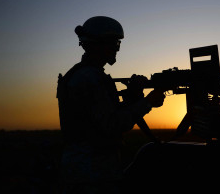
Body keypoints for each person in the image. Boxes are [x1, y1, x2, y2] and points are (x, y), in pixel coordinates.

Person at [56, 16, 165, 193]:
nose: (116, 49)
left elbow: (100, 115)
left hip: (85, 169)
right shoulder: (90, 78)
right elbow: (112, 125)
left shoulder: (84, 75)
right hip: (92, 173)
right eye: (114, 43)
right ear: (98, 44)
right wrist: (147, 103)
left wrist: (133, 97)